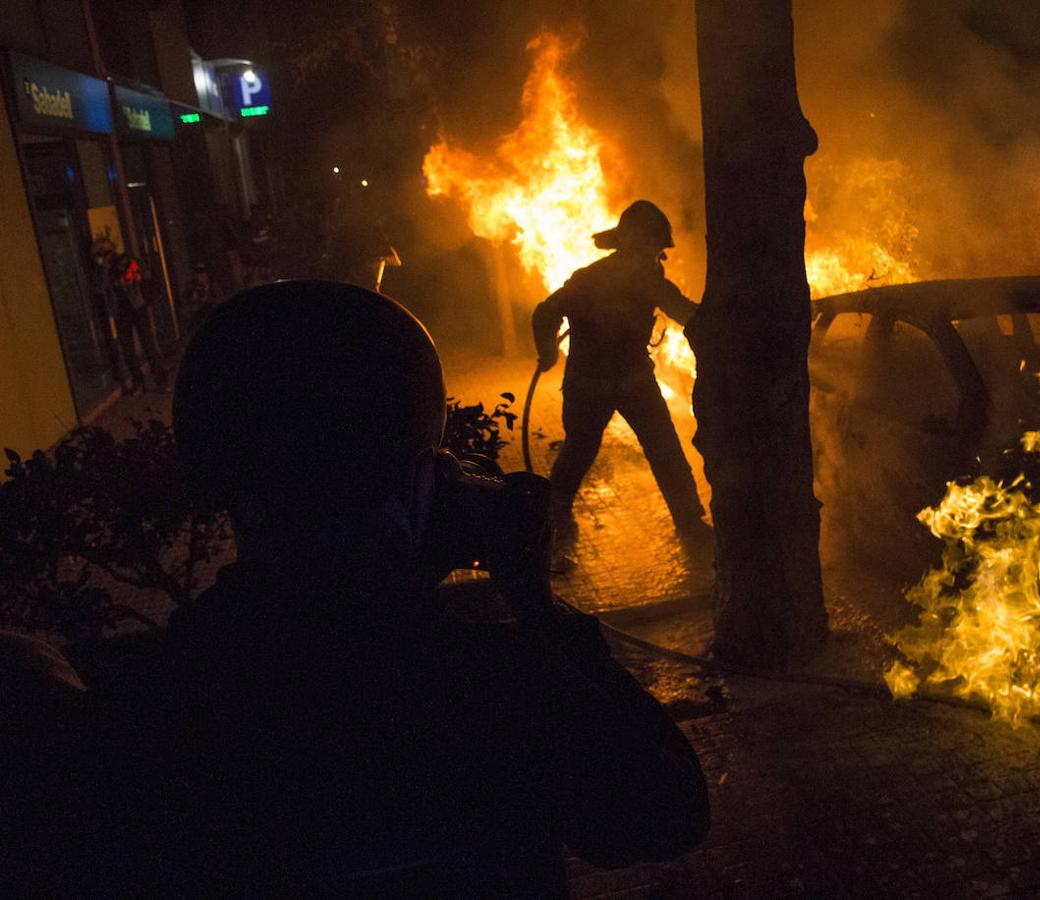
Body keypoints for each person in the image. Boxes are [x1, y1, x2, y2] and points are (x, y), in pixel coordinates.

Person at [78, 280, 708, 894]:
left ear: (214, 477)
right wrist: (538, 609)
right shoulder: (493, 684)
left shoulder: (146, 707)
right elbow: (662, 815)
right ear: (425, 485)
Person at [532, 200, 709, 549]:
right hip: (613, 383)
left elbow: (545, 313)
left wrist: (548, 351)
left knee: (589, 448)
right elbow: (689, 314)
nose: (657, 257)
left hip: (612, 381)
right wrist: (548, 351)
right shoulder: (640, 280)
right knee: (652, 449)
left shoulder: (591, 277)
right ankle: (687, 521)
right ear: (636, 243)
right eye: (654, 249)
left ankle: (558, 509)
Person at [92, 236, 167, 392]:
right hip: (122, 310)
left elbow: (142, 276)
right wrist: (105, 270)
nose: (104, 257)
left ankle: (158, 377)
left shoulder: (127, 260)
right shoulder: (105, 269)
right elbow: (100, 288)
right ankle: (141, 379)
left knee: (147, 343)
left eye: (104, 252)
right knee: (129, 348)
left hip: (136, 307)